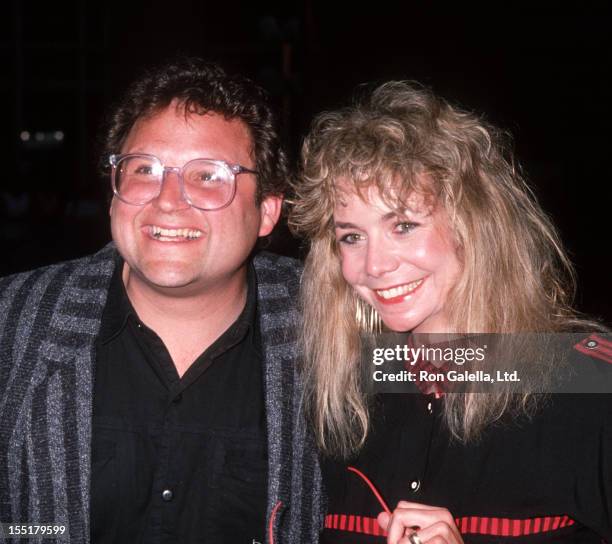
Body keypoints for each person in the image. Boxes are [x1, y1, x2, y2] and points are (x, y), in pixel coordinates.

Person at [0, 58, 322, 543]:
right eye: (144, 169)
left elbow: (474, 374)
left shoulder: (337, 321)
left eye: (209, 175)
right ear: (114, 194)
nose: (168, 199)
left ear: (267, 211)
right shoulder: (12, 320)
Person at [289, 81, 612, 543]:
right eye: (351, 236)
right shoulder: (344, 395)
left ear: (473, 226)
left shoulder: (589, 385)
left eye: (403, 225)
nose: (374, 266)